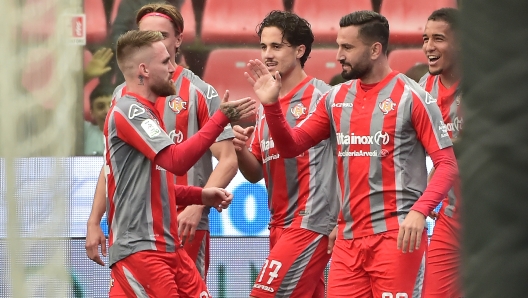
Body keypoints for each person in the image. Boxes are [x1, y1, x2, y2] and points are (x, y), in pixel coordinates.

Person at [244, 10, 458, 297]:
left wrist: (420, 211)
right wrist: (271, 106)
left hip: (396, 238)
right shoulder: (335, 98)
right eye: (338, 46)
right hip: (347, 242)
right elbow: (291, 146)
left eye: (347, 47)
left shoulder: (412, 96)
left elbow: (447, 164)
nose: (338, 55)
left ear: (375, 50)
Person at [86, 3, 241, 281]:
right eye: (147, 36)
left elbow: (228, 159)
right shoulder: (124, 96)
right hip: (138, 231)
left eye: (162, 36)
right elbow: (111, 166)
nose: (155, 43)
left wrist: (197, 206)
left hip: (186, 225)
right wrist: (94, 219)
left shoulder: (201, 92)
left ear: (179, 40)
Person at [232, 11, 339, 298]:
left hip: (311, 222)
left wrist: (342, 220)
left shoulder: (324, 97)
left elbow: (349, 162)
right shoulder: (268, 103)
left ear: (300, 50)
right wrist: (240, 149)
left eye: (276, 46)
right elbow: (255, 174)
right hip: (278, 224)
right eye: (263, 46)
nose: (267, 54)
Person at [420, 8, 463, 298]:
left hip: (500, 219)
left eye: (439, 38)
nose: (429, 47)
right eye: (425, 38)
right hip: (451, 220)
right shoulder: (422, 90)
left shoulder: (489, 86)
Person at [84, 83, 113, 155]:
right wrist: (85, 78)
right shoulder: (85, 131)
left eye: (112, 105)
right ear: (92, 112)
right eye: (100, 106)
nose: (107, 111)